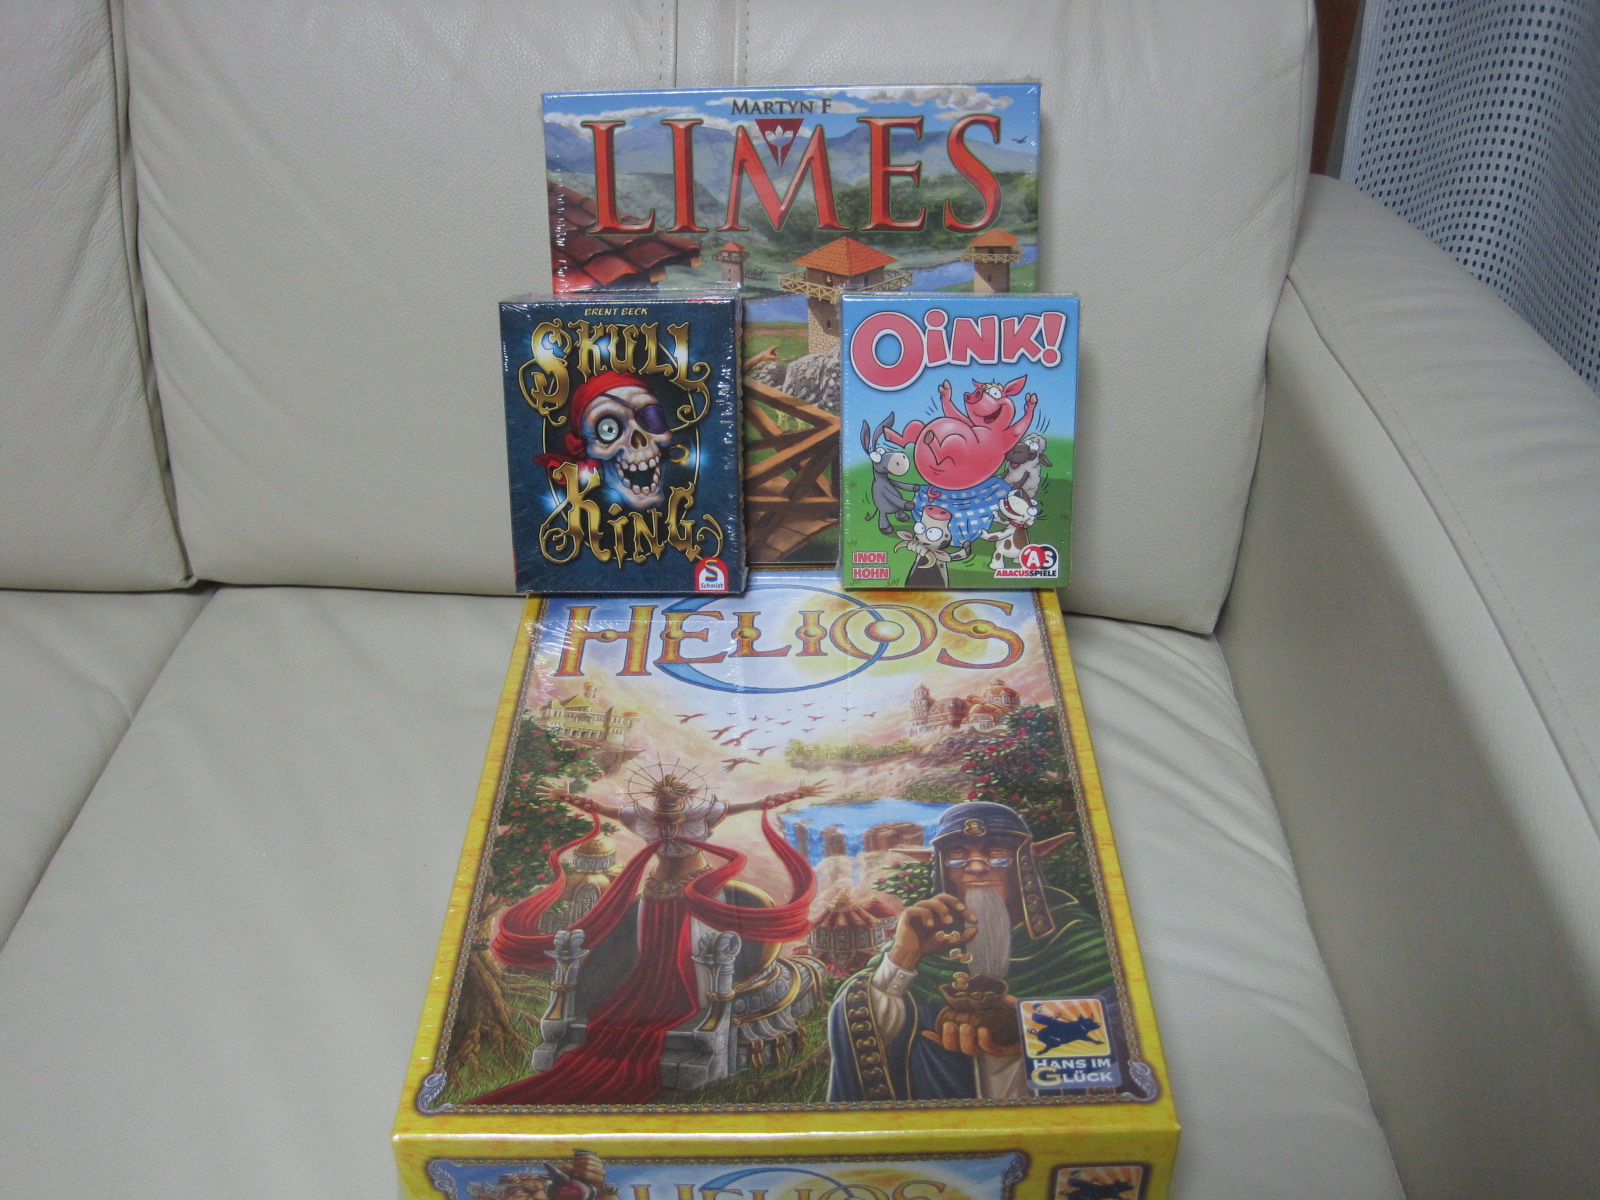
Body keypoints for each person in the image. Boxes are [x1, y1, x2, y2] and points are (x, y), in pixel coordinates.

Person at [466, 760, 826, 1106]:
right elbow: (600, 809)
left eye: (673, 799)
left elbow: (749, 805)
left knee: (700, 946)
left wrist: (790, 796)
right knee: (646, 945)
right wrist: (568, 798)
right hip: (656, 891)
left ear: (683, 799)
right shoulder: (640, 817)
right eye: (662, 800)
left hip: (698, 888)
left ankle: (701, 1002)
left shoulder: (702, 814)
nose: (667, 805)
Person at [827, 801, 1113, 1101]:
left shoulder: (1075, 935)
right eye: (956, 855)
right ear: (941, 868)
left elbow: (1123, 1025)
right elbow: (859, 1021)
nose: (976, 867)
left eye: (997, 853)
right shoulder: (926, 939)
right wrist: (903, 956)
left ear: (1025, 862)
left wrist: (1034, 1029)